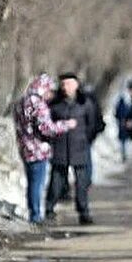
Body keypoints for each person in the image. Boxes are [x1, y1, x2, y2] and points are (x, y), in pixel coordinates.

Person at [13, 74, 70, 224]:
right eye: (49, 91)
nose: (50, 95)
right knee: (37, 184)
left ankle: (34, 212)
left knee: (32, 183)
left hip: (25, 147)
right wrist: (65, 125)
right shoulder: (38, 103)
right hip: (38, 149)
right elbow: (46, 128)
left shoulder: (21, 101)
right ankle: (36, 216)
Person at [47, 72, 97, 225]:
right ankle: (48, 208)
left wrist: (85, 139)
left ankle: (84, 212)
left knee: (82, 183)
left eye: (69, 84)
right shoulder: (55, 104)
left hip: (80, 148)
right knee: (56, 182)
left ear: (76, 85)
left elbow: (93, 125)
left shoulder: (85, 103)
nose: (65, 87)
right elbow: (48, 124)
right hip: (60, 148)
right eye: (63, 84)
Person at [114, 91, 132, 162]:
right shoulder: (126, 106)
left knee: (122, 142)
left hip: (121, 125)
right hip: (125, 125)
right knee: (124, 141)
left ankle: (123, 154)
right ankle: (125, 154)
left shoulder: (118, 106)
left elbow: (116, 114)